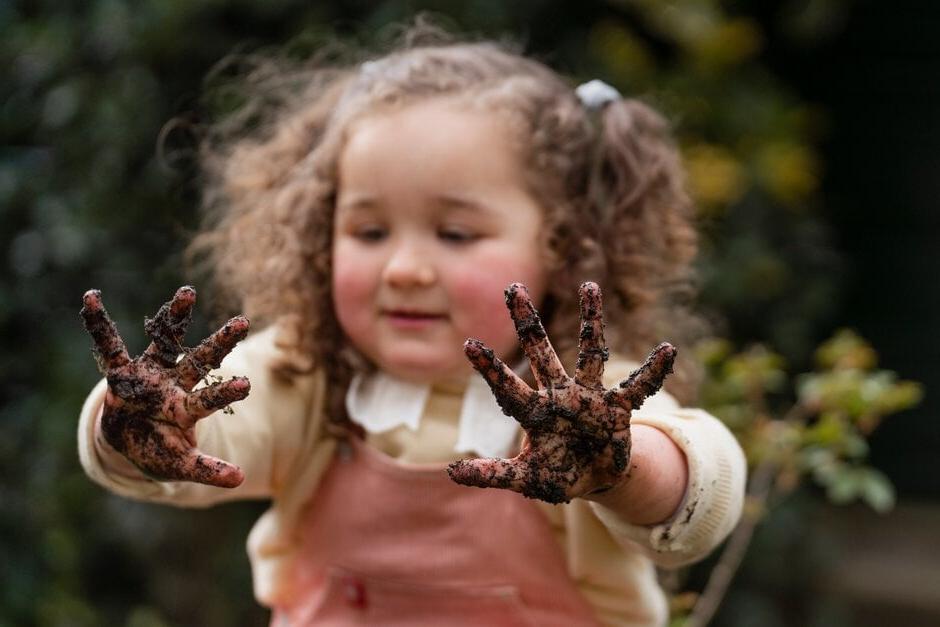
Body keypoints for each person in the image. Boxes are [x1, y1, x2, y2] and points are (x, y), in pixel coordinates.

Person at [77, 26, 746, 627]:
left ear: (565, 249)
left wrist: (620, 464)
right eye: (368, 230)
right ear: (320, 235)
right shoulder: (305, 375)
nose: (402, 267)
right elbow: (200, 437)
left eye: (455, 233)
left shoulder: (586, 405)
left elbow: (702, 496)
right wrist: (135, 425)